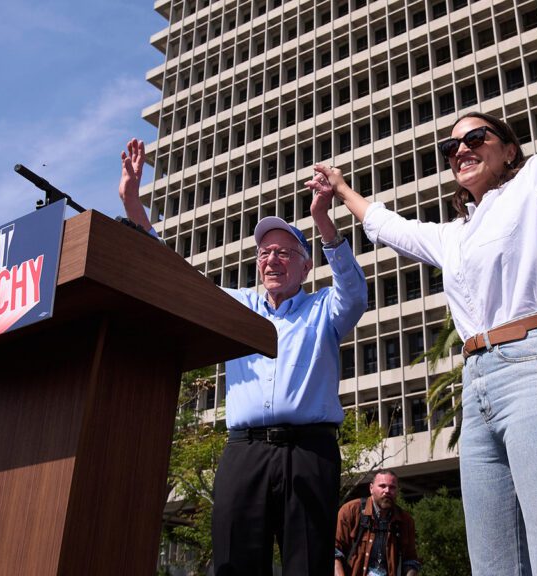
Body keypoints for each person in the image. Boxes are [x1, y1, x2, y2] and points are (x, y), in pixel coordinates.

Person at [305, 0, 537, 572]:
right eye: (451, 147)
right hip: (477, 388)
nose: (461, 149)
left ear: (509, 149)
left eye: (475, 136)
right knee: (492, 565)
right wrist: (343, 189)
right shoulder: (453, 236)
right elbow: (389, 227)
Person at [118, 138, 369, 575]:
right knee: (234, 562)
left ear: (306, 265)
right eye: (265, 252)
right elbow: (175, 276)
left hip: (310, 452)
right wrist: (132, 203)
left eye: (285, 252)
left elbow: (355, 292)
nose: (272, 259)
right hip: (244, 452)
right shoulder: (236, 307)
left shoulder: (323, 308)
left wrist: (323, 221)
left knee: (307, 565)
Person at [334, 470, 420, 576]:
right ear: (371, 488)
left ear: (397, 491)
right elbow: (335, 552)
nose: (387, 491)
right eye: (382, 486)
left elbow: (410, 561)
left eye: (392, 487)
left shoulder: (405, 520)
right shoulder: (351, 510)